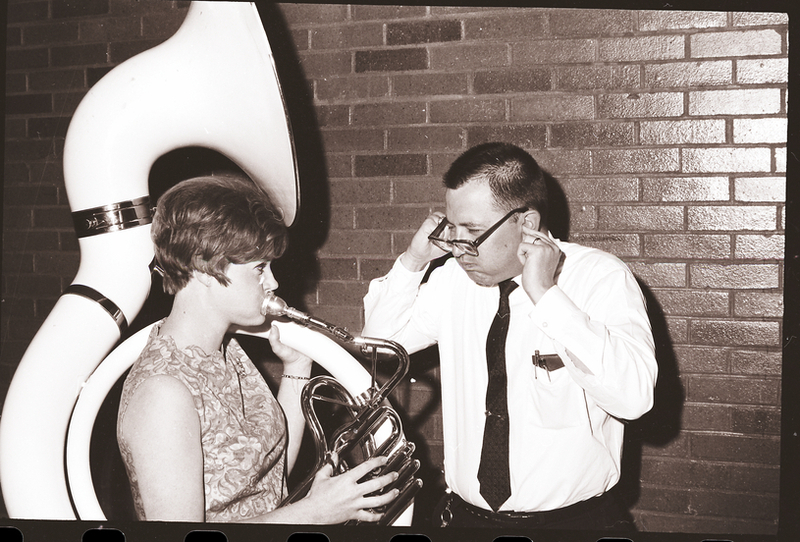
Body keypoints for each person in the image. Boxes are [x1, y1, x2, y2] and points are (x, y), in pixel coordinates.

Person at [363, 142, 658, 529]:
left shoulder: (598, 277)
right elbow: (379, 345)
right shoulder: (453, 281)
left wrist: (546, 296)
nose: (458, 249)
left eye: (473, 231)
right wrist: (414, 260)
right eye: (452, 229)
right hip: (466, 520)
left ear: (528, 223)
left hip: (572, 525)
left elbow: (634, 399)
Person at [117, 174, 400, 523]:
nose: (273, 282)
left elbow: (268, 476)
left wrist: (297, 366)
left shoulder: (227, 351)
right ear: (204, 267)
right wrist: (313, 512)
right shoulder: (163, 393)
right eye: (259, 268)